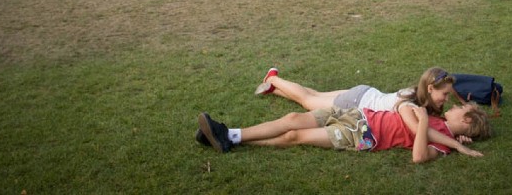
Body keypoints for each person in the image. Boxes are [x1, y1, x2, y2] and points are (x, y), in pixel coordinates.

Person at [252, 67, 491, 145]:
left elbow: (440, 125)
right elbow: (421, 132)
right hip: (357, 103)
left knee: (313, 95)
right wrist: (454, 143)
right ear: (430, 89)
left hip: (365, 94)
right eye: (445, 94)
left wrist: (456, 135)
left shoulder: (419, 97)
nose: (446, 99)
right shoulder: (409, 103)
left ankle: (275, 89)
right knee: (307, 101)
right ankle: (273, 78)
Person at [196, 101, 485, 162]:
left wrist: (423, 124)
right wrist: (421, 120)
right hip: (358, 115)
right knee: (293, 117)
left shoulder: (444, 145)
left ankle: (228, 139)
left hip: (362, 136)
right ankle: (229, 134)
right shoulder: (439, 124)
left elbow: (419, 156)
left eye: (461, 107)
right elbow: (401, 108)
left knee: (293, 137)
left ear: (468, 120)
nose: (453, 105)